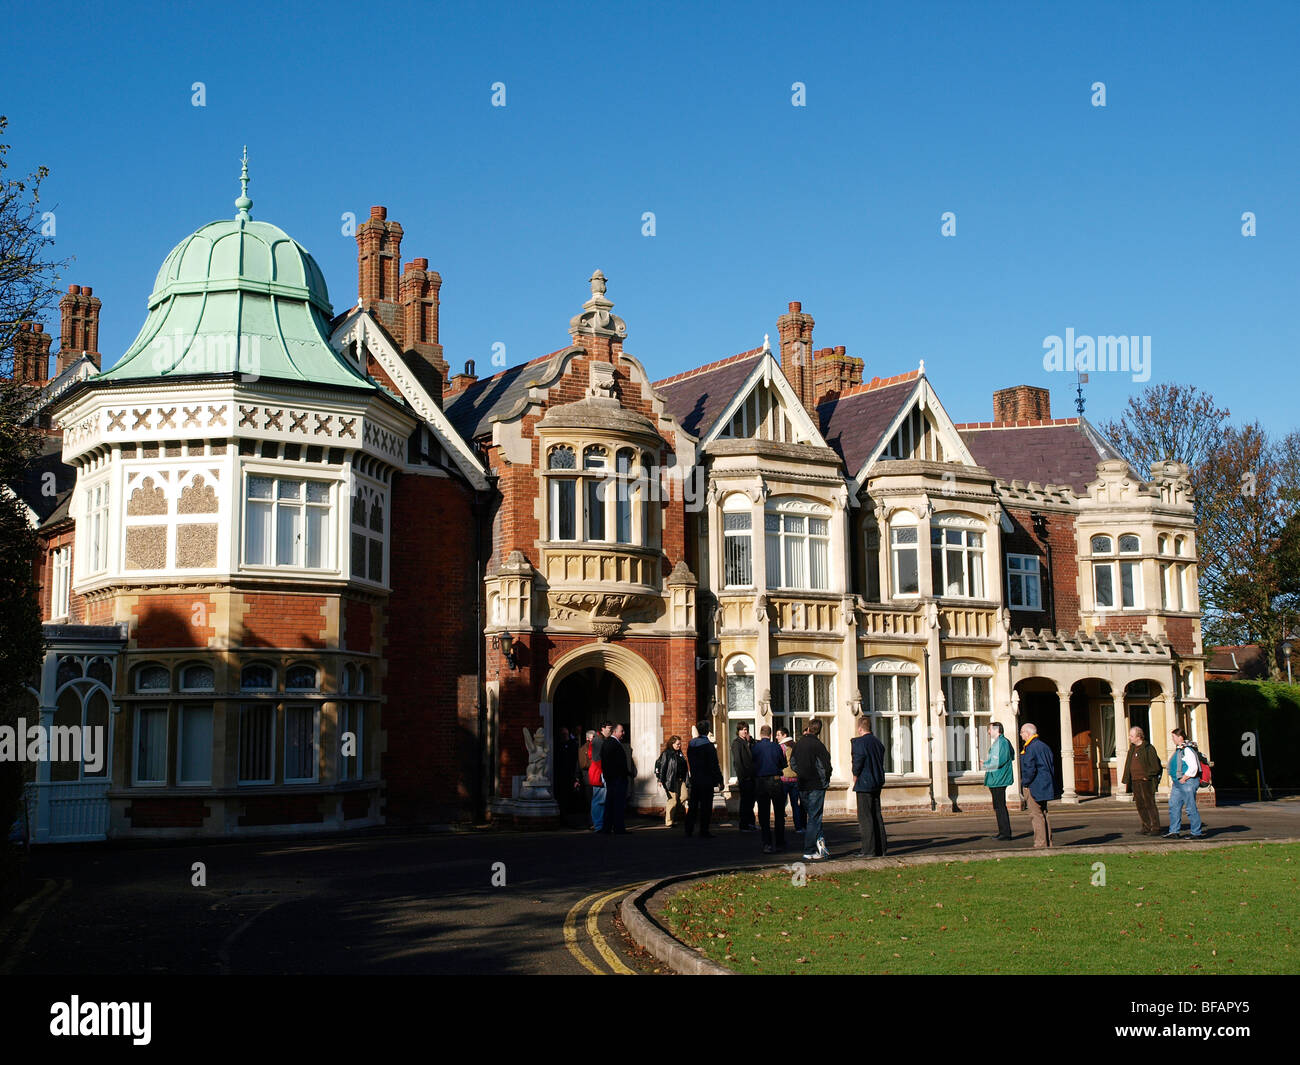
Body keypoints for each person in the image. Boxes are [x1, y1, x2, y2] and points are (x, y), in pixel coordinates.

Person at [791, 720, 832, 860]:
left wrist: (801, 773)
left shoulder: (799, 744)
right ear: (819, 731)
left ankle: (820, 845)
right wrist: (824, 779)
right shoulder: (818, 745)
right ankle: (809, 850)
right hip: (816, 785)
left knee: (813, 817)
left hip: (802, 784)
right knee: (814, 818)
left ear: (808, 728)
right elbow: (826, 766)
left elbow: (793, 763)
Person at [850, 716, 887, 857]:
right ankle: (881, 848)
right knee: (876, 814)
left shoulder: (859, 743)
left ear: (860, 728)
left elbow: (858, 761)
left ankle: (868, 850)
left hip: (864, 782)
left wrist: (855, 774)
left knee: (865, 817)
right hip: (877, 781)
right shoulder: (878, 743)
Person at [1018, 722, 1055, 848]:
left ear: (1028, 733)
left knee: (1036, 815)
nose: (1020, 735)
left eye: (1022, 732)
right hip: (1045, 784)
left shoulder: (1030, 748)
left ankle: (1040, 843)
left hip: (1034, 785)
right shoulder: (1044, 746)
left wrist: (1025, 783)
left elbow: (1029, 768)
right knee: (1044, 813)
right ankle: (1048, 842)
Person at [1121, 726, 1163, 835]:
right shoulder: (1132, 749)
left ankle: (1155, 827)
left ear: (1139, 736)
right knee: (1140, 805)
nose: (1129, 738)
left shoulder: (1149, 748)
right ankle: (1146, 826)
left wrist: (1147, 776)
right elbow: (1128, 765)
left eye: (1131, 736)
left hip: (1146, 781)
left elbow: (1156, 767)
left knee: (1149, 804)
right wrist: (1127, 779)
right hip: (1135, 780)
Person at [751, 725, 787, 853]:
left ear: (761, 734)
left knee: (764, 814)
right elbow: (783, 763)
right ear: (771, 735)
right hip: (775, 780)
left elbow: (752, 764)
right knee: (778, 813)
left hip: (761, 782)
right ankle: (780, 842)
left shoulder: (755, 748)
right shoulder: (776, 747)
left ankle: (767, 843)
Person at [1165, 727, 1204, 839]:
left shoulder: (1187, 749)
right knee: (1174, 806)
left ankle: (1196, 833)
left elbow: (1193, 767)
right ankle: (1174, 831)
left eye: (1174, 737)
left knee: (1190, 808)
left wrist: (1185, 778)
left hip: (1187, 782)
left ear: (1180, 737)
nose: (1172, 739)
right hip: (1178, 783)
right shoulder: (1180, 749)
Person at [685, 721, 722, 838]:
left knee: (693, 806)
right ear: (707, 730)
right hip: (706, 780)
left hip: (695, 779)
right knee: (706, 806)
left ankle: (689, 829)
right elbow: (714, 764)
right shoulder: (709, 745)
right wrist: (719, 779)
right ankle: (704, 830)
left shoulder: (691, 744)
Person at [983, 722, 1015, 841]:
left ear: (997, 730)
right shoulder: (1001, 742)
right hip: (997, 779)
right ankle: (1003, 831)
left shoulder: (1002, 743)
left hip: (999, 779)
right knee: (998, 806)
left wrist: (985, 764)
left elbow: (998, 762)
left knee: (1000, 807)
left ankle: (1005, 833)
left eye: (990, 729)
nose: (988, 731)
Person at [600, 723, 630, 834]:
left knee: (611, 803)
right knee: (617, 804)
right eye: (621, 731)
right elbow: (609, 763)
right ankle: (617, 828)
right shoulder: (611, 743)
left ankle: (608, 828)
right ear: (614, 732)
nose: (623, 733)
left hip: (615, 778)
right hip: (616, 779)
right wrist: (615, 776)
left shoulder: (612, 743)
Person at [776, 728, 805, 834]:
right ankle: (798, 827)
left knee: (780, 805)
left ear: (784, 735)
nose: (777, 737)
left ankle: (780, 827)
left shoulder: (782, 747)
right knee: (795, 805)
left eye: (778, 735)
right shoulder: (796, 745)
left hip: (784, 779)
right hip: (795, 778)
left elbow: (779, 762)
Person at [655, 735, 688, 827]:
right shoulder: (667, 753)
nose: (679, 746)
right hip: (671, 780)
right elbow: (663, 767)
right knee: (672, 800)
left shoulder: (679, 753)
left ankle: (669, 812)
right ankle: (669, 822)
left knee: (685, 796)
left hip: (681, 780)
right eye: (677, 744)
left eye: (680, 744)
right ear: (672, 744)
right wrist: (661, 780)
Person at [731, 724, 757, 831]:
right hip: (745, 778)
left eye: (746, 729)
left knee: (750, 801)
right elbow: (737, 762)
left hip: (751, 777)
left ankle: (750, 823)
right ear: (738, 731)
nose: (745, 732)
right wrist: (742, 777)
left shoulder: (748, 742)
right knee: (745, 802)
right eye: (742, 730)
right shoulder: (737, 743)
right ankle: (744, 824)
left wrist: (751, 741)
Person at [587, 723, 613, 832]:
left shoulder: (601, 740)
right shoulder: (598, 740)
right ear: (603, 729)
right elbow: (597, 759)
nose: (611, 730)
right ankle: (598, 825)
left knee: (601, 800)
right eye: (609, 728)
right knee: (599, 800)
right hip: (600, 773)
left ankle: (600, 824)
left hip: (601, 772)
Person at [556, 726, 579, 817]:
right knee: (562, 796)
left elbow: (575, 761)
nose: (564, 736)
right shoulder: (558, 745)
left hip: (571, 775)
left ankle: (571, 816)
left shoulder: (572, 744)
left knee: (571, 797)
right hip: (561, 776)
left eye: (566, 734)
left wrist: (576, 777)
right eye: (563, 734)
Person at [577, 729, 596, 826]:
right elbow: (582, 764)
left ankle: (593, 821)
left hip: (591, 778)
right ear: (588, 738)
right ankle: (592, 821)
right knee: (592, 801)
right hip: (590, 778)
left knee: (593, 801)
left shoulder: (584, 748)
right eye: (594, 737)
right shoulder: (585, 749)